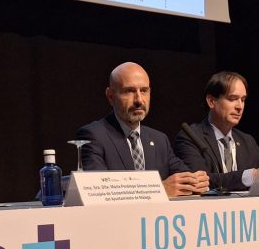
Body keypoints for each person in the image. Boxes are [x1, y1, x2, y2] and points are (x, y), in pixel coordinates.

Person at [77, 62, 210, 197]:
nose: (139, 100)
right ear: (111, 96)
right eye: (129, 91)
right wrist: (158, 190)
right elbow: (98, 192)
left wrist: (196, 181)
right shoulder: (93, 135)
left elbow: (185, 178)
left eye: (144, 91)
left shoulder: (159, 139)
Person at [174, 71, 259, 191]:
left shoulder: (247, 141)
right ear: (211, 101)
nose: (240, 106)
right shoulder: (191, 136)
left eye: (243, 100)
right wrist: (247, 176)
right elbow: (199, 181)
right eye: (232, 99)